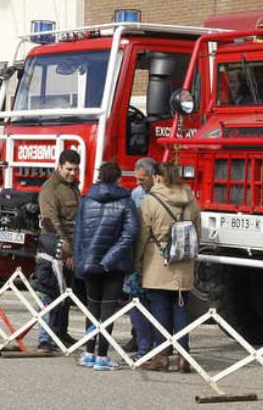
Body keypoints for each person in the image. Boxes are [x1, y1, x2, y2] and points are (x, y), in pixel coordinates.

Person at [136, 163, 201, 373]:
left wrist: (137, 261)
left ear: (157, 178)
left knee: (160, 308)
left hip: (158, 261)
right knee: (181, 307)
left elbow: (142, 235)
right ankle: (184, 355)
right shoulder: (190, 200)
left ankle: (162, 356)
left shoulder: (150, 201)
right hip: (183, 261)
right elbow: (198, 231)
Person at [72, 162, 138, 371]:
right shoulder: (126, 201)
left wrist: (80, 261)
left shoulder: (86, 199)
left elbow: (79, 233)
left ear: (99, 177)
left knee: (92, 308)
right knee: (108, 310)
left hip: (90, 262)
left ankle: (89, 352)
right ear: (119, 178)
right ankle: (102, 356)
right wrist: (110, 258)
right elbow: (130, 233)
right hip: (113, 265)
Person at [31, 149, 81, 351]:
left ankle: (60, 331)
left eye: (76, 169)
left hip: (71, 246)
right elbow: (51, 222)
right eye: (69, 169)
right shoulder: (50, 188)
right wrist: (67, 250)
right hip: (53, 246)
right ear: (59, 166)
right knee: (48, 291)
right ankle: (45, 339)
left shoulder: (73, 187)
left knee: (65, 293)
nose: (72, 173)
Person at [123, 157, 156, 359]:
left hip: (152, 254)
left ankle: (152, 342)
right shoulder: (136, 194)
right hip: (138, 253)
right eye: (136, 178)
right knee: (135, 298)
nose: (139, 183)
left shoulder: (158, 196)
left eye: (142, 179)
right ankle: (137, 336)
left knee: (152, 300)